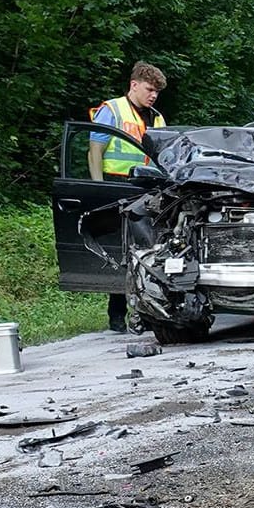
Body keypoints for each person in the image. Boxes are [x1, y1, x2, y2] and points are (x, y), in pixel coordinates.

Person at [89, 61, 167, 332]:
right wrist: (99, 189)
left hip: (147, 187)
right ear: (134, 85)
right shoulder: (112, 110)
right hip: (116, 186)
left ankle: (148, 312)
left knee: (148, 251)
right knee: (120, 251)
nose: (153, 95)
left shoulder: (157, 117)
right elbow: (95, 150)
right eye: (149, 89)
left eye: (157, 91)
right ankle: (116, 315)